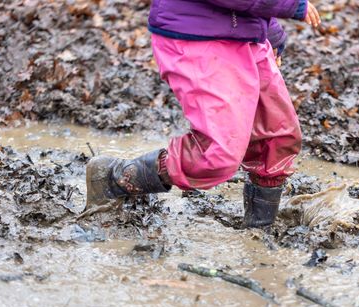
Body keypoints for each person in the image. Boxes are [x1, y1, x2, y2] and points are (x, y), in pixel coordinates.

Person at [85, 0, 321, 227]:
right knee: (218, 152)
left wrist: (269, 27)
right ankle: (114, 178)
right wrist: (291, 5)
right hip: (195, 38)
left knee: (277, 136)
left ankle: (259, 234)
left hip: (244, 33)